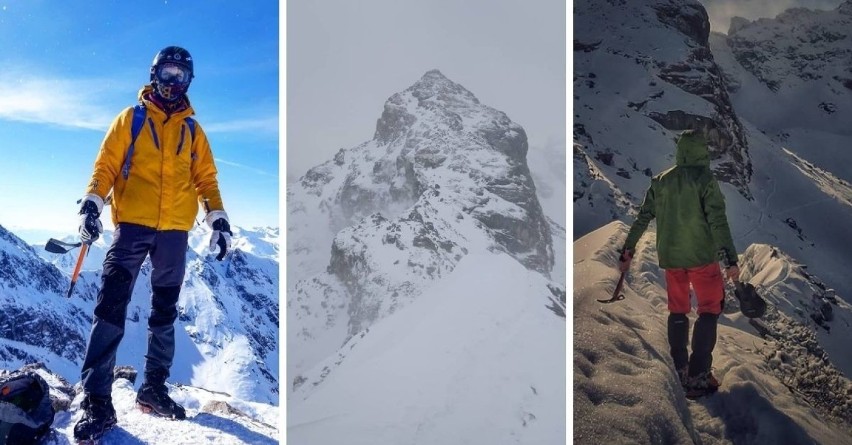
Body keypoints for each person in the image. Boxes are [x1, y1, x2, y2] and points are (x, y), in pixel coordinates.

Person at [73, 46, 234, 442]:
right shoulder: (131, 119)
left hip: (175, 232)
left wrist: (218, 218)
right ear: (153, 74)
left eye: (180, 75)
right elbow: (105, 166)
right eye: (167, 72)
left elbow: (207, 180)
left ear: (188, 81)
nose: (172, 82)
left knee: (164, 311)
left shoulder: (193, 131)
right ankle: (96, 398)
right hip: (131, 225)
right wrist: (92, 203)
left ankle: (153, 389)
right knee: (110, 305)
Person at [619, 129, 739, 399]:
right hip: (701, 258)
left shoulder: (661, 181)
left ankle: (679, 369)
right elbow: (718, 221)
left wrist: (627, 250)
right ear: (702, 151)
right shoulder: (705, 179)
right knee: (709, 309)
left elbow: (642, 217)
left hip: (672, 258)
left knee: (678, 309)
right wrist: (730, 259)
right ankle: (698, 376)